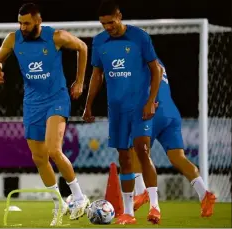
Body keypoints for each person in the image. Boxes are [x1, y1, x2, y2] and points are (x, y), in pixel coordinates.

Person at [0, 3, 89, 226]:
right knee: (39, 157)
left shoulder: (55, 36)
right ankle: (59, 204)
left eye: (26, 22)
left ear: (37, 21)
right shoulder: (13, 39)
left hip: (57, 99)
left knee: (54, 149)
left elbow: (82, 47)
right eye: (20, 22)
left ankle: (79, 197)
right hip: (32, 103)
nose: (22, 26)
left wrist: (80, 81)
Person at [83, 0, 162, 225]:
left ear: (119, 16)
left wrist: (151, 101)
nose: (108, 27)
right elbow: (97, 75)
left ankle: (155, 207)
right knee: (124, 158)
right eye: (103, 24)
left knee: (142, 150)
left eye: (111, 22)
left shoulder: (140, 37)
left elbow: (155, 70)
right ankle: (128, 212)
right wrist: (88, 105)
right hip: (115, 110)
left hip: (139, 107)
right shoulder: (99, 42)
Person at [132, 60, 216, 217]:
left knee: (136, 151)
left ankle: (142, 192)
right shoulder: (158, 60)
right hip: (171, 112)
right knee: (178, 157)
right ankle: (205, 194)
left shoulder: (139, 58)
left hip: (153, 111)